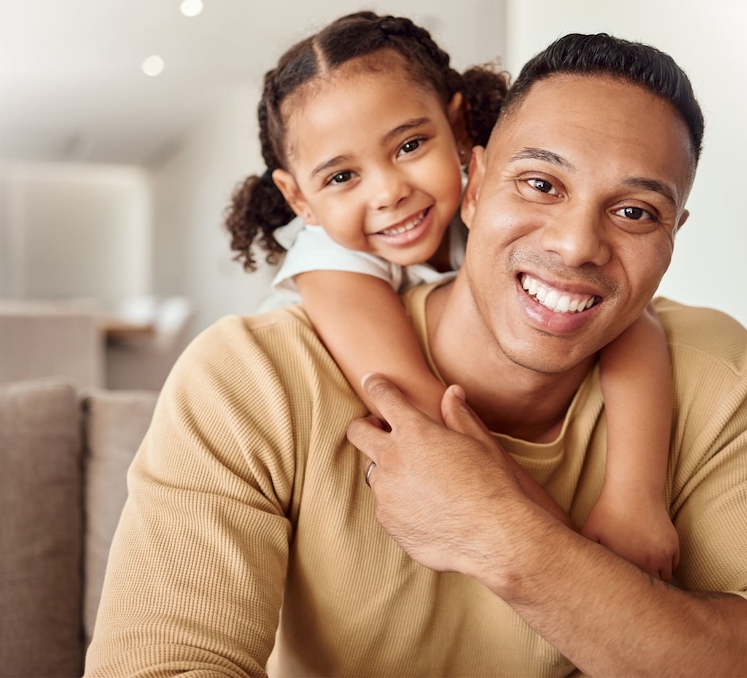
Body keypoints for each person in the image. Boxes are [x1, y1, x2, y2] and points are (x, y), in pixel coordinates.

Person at [85, 31, 747, 678]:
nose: (575, 243)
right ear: (479, 176)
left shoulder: (716, 369)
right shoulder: (266, 367)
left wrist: (510, 533)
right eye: (539, 184)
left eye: (635, 210)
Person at [225, 11, 678, 580]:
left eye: (410, 145)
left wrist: (635, 499)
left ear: (459, 129)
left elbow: (639, 326)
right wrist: (586, 567)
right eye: (342, 177)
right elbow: (423, 416)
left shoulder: (493, 217)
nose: (389, 191)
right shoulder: (330, 261)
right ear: (300, 200)